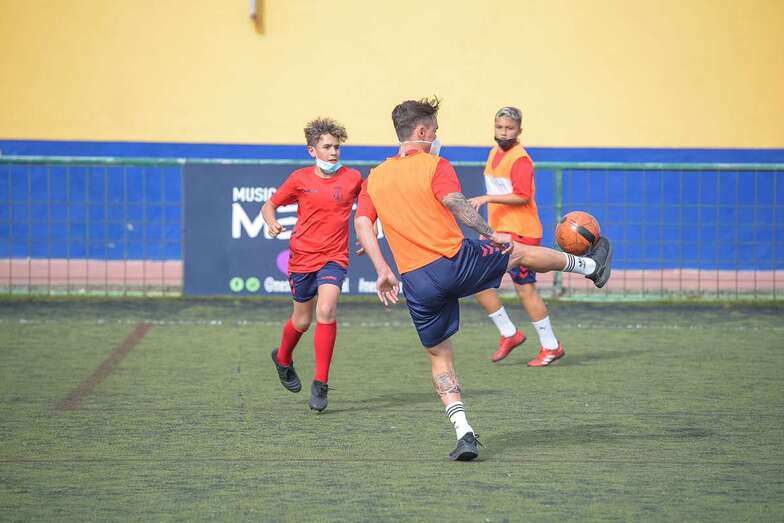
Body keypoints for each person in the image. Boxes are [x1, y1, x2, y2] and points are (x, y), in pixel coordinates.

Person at [354, 97, 612, 461]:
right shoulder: (435, 164)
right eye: (435, 131)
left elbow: (363, 223)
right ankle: (589, 267)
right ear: (422, 131)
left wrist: (382, 269)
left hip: (416, 281)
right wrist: (491, 233)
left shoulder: (375, 177)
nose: (437, 137)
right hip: (453, 261)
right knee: (516, 252)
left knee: (440, 356)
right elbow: (455, 202)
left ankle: (464, 432)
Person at [261, 117, 362, 412]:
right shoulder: (299, 179)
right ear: (312, 150)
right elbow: (269, 205)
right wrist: (271, 222)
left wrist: (368, 232)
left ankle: (320, 384)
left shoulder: (353, 178)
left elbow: (370, 206)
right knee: (302, 321)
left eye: (337, 147)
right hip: (302, 258)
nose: (333, 152)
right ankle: (282, 358)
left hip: (334, 258)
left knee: (327, 310)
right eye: (327, 147)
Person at [468, 106, 563, 366]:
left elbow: (522, 196)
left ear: (520, 130)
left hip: (520, 233)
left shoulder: (520, 159)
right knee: (479, 281)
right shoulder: (494, 153)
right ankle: (514, 335)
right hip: (500, 233)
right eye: (499, 127)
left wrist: (487, 198)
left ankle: (546, 345)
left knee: (520, 288)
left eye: (509, 128)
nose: (503, 132)